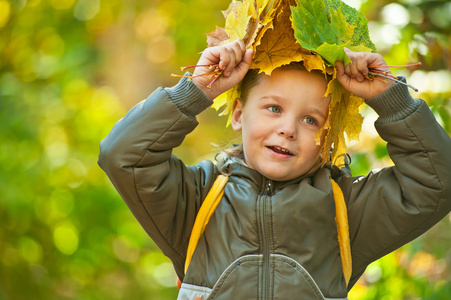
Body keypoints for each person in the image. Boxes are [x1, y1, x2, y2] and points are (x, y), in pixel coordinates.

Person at [98, 39, 451, 299]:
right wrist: (197, 89)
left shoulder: (347, 211)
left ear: (328, 138)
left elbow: (438, 182)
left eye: (311, 119)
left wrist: (390, 99)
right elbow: (124, 155)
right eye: (273, 108)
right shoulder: (196, 202)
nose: (288, 129)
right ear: (238, 114)